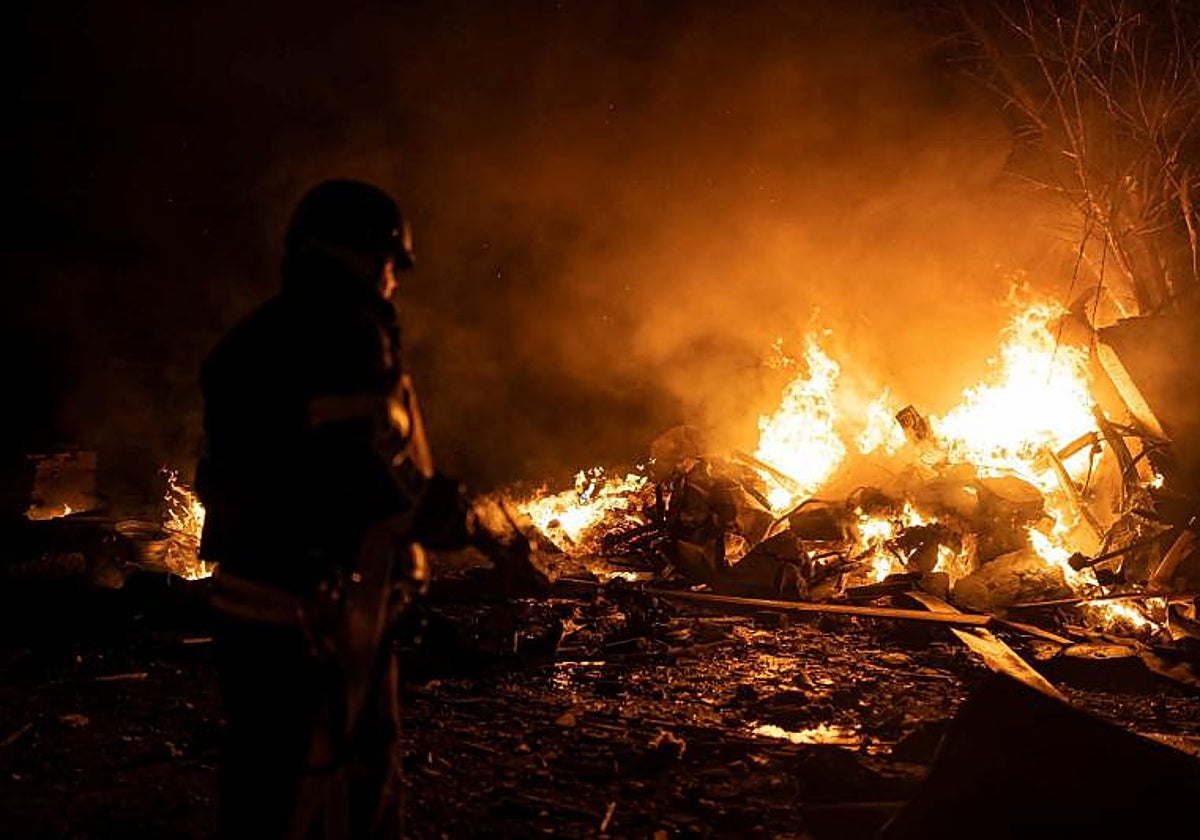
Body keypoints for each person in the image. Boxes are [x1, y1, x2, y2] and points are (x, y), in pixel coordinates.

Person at [196, 179, 506, 838]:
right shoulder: (346, 330)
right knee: (347, 783)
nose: (394, 278)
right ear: (365, 252)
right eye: (391, 261)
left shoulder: (251, 337)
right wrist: (458, 524)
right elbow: (358, 470)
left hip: (250, 599)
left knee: (262, 778)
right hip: (326, 608)